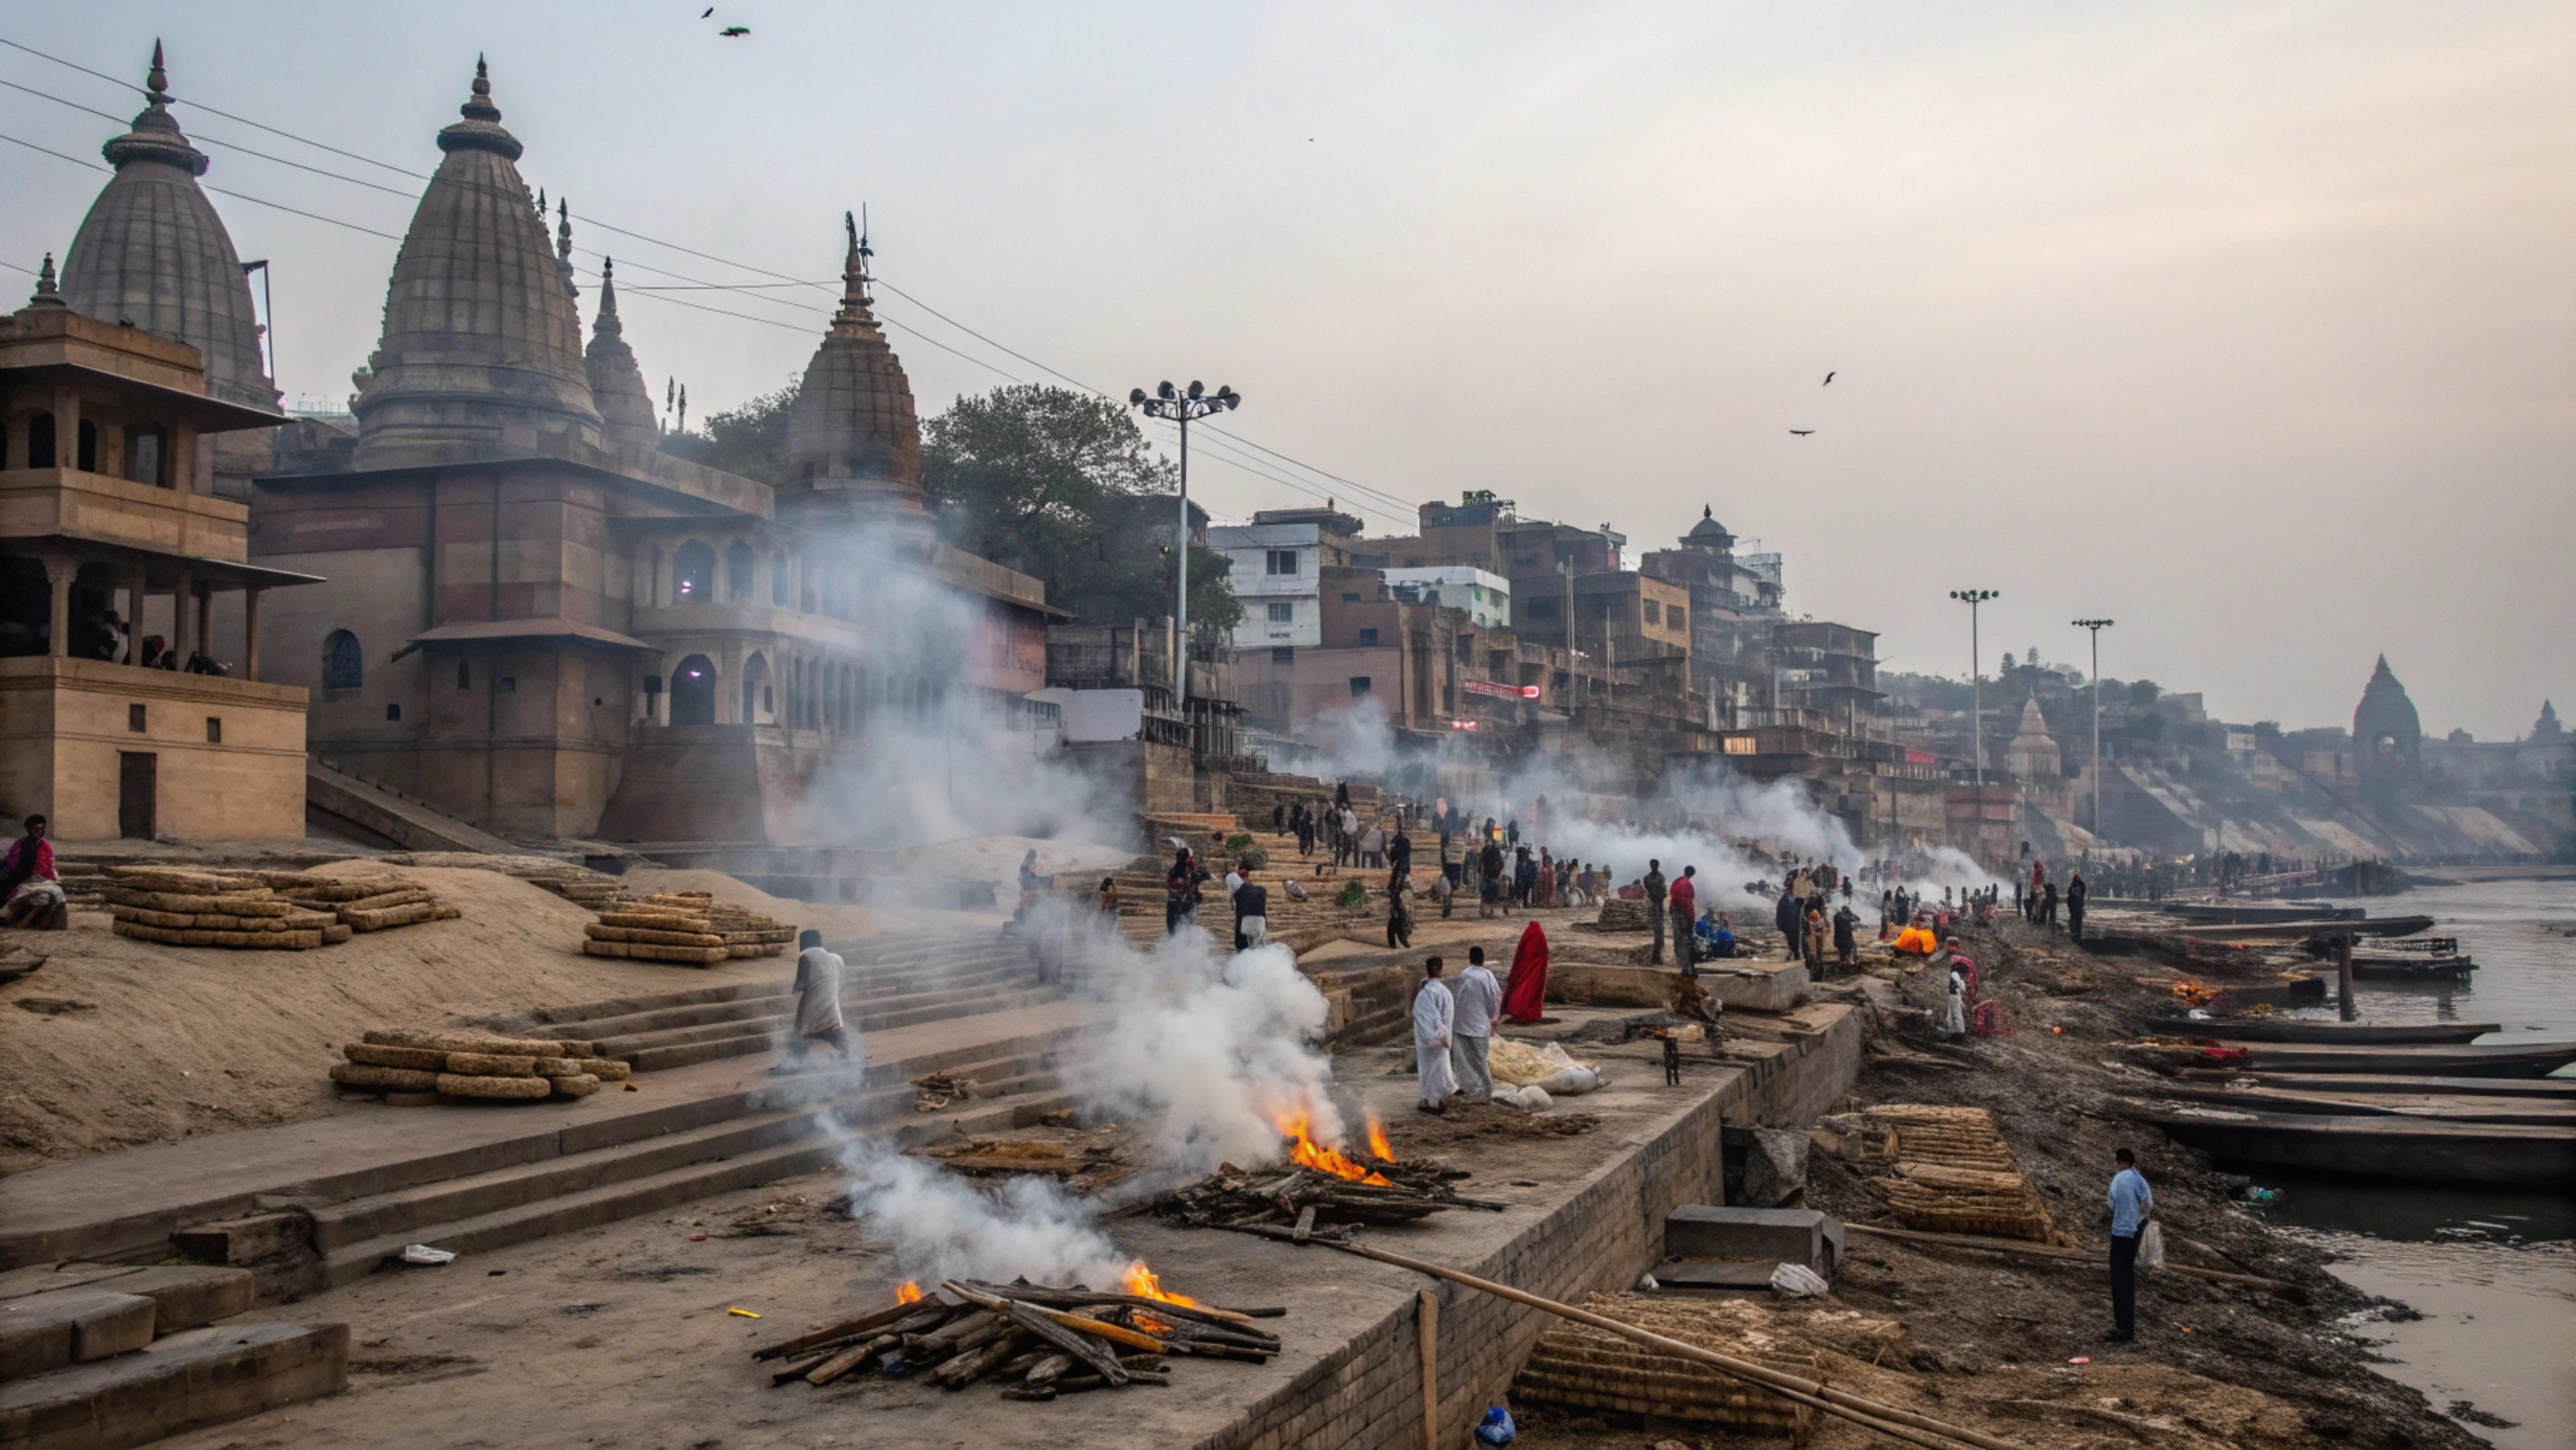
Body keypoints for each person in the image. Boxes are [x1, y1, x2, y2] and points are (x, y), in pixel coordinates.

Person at [775, 929, 854, 1070]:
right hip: (831, 1002)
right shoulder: (837, 958)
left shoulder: (807, 955)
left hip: (813, 1003)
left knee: (801, 1032)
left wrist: (795, 989)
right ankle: (850, 1056)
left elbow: (801, 983)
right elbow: (842, 982)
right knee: (834, 1030)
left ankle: (793, 1062)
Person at [2106, 1148, 2155, 1342]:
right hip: (2135, 1231)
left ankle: (2122, 1327)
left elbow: (2112, 1203)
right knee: (2128, 1278)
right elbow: (2147, 1205)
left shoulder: (2119, 1179)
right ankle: (2128, 1327)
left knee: (2118, 1279)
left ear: (2120, 1162)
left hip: (2120, 1232)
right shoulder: (2140, 1180)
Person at [1450, 946, 1501, 1101]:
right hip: (1479, 1026)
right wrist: (1494, 1016)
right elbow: (1495, 998)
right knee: (1480, 1061)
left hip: (1461, 1024)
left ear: (1470, 959)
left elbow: (1457, 998)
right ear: (1483, 960)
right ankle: (1486, 1091)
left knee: (1463, 1061)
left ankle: (1468, 1088)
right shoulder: (1487, 976)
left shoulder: (1463, 975)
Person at [0, 815, 65, 930]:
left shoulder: (45, 846)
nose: (39, 832)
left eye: (42, 829)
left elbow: (47, 865)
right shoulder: (21, 844)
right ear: (30, 829)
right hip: (20, 879)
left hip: (42, 879)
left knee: (54, 893)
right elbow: (12, 863)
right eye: (36, 829)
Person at [1413, 958, 1458, 1113]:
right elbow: (1449, 1017)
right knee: (1441, 1068)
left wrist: (1431, 1037)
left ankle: (1433, 1102)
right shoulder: (1446, 993)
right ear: (1440, 970)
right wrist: (1444, 1036)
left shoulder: (1424, 995)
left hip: (1428, 1040)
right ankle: (1439, 1097)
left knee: (1429, 1071)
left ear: (1427, 971)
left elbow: (1422, 1018)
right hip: (1443, 1038)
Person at [1500, 921, 1550, 1024]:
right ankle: (1530, 1014)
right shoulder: (1540, 936)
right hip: (1537, 969)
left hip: (1527, 968)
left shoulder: (1529, 935)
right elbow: (1543, 954)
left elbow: (1522, 954)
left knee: (1525, 989)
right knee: (1533, 992)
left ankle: (1519, 1012)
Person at [1165, 849, 1208, 937]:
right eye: (1189, 858)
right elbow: (1176, 886)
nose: (1191, 860)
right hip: (1177, 903)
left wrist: (1199, 876)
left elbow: (1204, 876)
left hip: (1187, 902)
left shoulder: (1190, 870)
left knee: (1185, 927)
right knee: (1175, 929)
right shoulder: (1175, 873)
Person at [1667, 866, 1697, 968]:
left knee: (1677, 936)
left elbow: (1673, 897)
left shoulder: (1677, 882)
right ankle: (1685, 963)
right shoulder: (1687, 885)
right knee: (1684, 938)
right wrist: (1690, 917)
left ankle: (1678, 959)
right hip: (1682, 914)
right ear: (1692, 874)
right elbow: (1686, 902)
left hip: (1675, 912)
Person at [1232, 868, 1268, 951]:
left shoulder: (1238, 893)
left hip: (1244, 926)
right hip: (1259, 924)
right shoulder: (1261, 890)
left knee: (1244, 950)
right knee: (1258, 949)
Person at [1643, 858, 1669, 966]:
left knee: (1659, 929)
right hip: (1655, 904)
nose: (1653, 866)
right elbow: (1663, 891)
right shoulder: (1653, 878)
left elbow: (1663, 892)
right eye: (1652, 865)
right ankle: (1657, 955)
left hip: (1657, 904)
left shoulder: (1653, 878)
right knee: (1658, 929)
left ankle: (1658, 954)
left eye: (1655, 865)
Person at [1477, 838, 1505, 919]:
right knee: (1492, 894)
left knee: (1485, 893)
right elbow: (1501, 864)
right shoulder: (1496, 851)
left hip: (1487, 875)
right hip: (1493, 875)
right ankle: (1490, 910)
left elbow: (1481, 864)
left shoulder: (1484, 851)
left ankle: (1484, 910)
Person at [1774, 882, 1801, 961]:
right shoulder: (1783, 900)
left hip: (1797, 923)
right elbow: (1779, 913)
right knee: (1791, 939)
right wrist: (1780, 924)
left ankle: (1795, 951)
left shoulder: (1799, 899)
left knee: (1796, 939)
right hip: (1788, 924)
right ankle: (1794, 951)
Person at [1386, 876, 1415, 949]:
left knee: (1393, 928)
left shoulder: (1401, 893)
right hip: (1403, 912)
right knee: (1400, 927)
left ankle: (1397, 943)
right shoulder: (1408, 893)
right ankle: (1402, 942)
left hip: (1400, 912)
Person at [1832, 901, 1858, 970]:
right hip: (1847, 940)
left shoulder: (1836, 917)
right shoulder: (1848, 917)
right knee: (1851, 950)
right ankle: (1850, 963)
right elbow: (1857, 919)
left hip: (1838, 940)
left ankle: (1842, 963)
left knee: (1842, 953)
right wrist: (1851, 913)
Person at [2067, 871, 2089, 943]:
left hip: (2078, 905)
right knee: (2075, 920)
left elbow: (2082, 893)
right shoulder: (2073, 886)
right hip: (2075, 905)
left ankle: (2077, 935)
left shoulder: (2080, 885)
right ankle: (2075, 934)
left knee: (2077, 921)